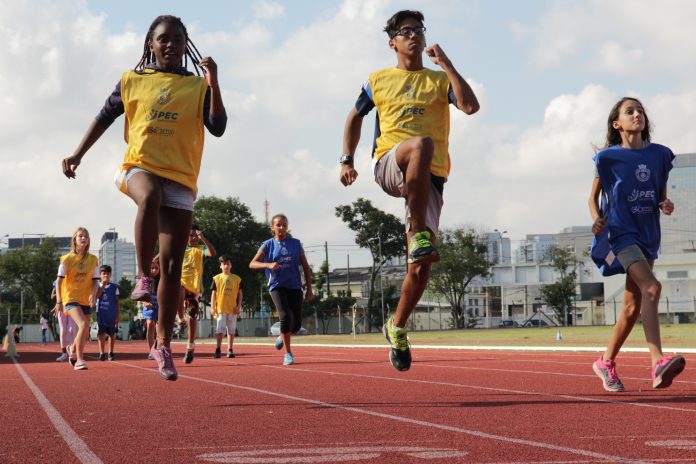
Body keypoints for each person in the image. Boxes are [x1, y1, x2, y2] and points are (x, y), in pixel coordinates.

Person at [61, 15, 227, 380]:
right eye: (163, 39)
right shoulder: (132, 80)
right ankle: (141, 277)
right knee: (148, 196)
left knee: (171, 267)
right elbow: (103, 117)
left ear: (186, 45)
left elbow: (217, 127)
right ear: (150, 44)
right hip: (139, 168)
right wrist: (77, 154)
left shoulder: (198, 87)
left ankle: (163, 346)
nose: (170, 45)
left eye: (177, 39)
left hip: (181, 178)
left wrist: (214, 83)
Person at [338, 10, 479, 371]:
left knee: (419, 270)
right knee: (421, 144)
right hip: (389, 162)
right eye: (406, 31)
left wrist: (446, 64)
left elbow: (469, 106)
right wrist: (346, 159)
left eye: (418, 30)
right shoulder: (378, 80)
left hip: (430, 178)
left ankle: (397, 327)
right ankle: (418, 234)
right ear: (393, 42)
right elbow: (354, 117)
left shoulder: (437, 80)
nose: (414, 35)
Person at [589, 97, 686, 392]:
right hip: (621, 233)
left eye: (640, 111)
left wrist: (665, 203)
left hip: (648, 236)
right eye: (629, 111)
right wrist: (596, 220)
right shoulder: (607, 159)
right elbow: (593, 198)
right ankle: (657, 361)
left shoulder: (660, 155)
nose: (637, 115)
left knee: (632, 308)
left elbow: (659, 193)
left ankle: (605, 362)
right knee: (653, 287)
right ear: (617, 123)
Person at [249, 214, 313, 366]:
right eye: (278, 225)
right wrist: (268, 265)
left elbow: (305, 267)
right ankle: (288, 354)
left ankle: (282, 337)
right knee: (284, 316)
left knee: (296, 324)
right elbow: (252, 263)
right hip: (277, 285)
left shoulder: (296, 244)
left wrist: (309, 289)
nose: (281, 228)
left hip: (295, 286)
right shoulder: (267, 245)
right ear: (272, 227)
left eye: (284, 225)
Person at [53, 227, 100, 371]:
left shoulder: (93, 259)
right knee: (84, 325)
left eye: (85, 236)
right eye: (80, 236)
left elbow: (95, 280)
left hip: (85, 299)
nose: (83, 238)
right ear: (75, 239)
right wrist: (59, 301)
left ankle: (71, 349)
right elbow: (59, 282)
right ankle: (79, 359)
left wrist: (93, 293)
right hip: (70, 298)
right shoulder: (66, 259)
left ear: (88, 241)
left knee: (85, 332)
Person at [179, 225, 216, 364]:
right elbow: (165, 251)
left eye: (196, 235)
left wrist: (203, 238)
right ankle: (180, 318)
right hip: (181, 285)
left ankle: (190, 346)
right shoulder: (180, 249)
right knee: (180, 290)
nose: (193, 238)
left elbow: (212, 253)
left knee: (192, 318)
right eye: (190, 235)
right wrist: (155, 259)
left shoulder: (200, 249)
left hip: (194, 289)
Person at [211, 254, 242, 358]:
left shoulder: (237, 279)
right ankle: (218, 348)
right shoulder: (217, 278)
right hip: (221, 309)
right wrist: (212, 307)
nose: (226, 266)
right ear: (220, 266)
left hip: (232, 309)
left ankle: (230, 349)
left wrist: (239, 306)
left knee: (231, 331)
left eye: (228, 264)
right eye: (224, 264)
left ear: (231, 265)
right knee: (220, 330)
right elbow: (213, 294)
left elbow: (240, 293)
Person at [95, 265, 120, 361]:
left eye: (107, 273)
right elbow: (97, 296)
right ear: (100, 275)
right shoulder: (97, 286)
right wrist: (103, 285)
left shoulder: (115, 287)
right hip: (101, 314)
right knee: (101, 334)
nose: (106, 275)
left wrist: (118, 314)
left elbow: (117, 302)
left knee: (112, 334)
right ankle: (102, 353)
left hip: (111, 314)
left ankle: (111, 352)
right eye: (103, 273)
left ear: (110, 274)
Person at [52, 280, 76, 362]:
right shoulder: (58, 281)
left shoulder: (73, 278)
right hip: (61, 307)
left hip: (72, 306)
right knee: (63, 330)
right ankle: (64, 353)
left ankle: (72, 351)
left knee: (72, 330)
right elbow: (52, 296)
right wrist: (60, 296)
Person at [142, 257, 160, 359]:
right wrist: (145, 302)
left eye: (156, 268)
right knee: (150, 325)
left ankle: (158, 348)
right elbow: (140, 293)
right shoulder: (145, 279)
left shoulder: (162, 278)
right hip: (149, 304)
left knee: (159, 327)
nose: (154, 270)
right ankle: (151, 351)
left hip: (159, 304)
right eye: (151, 268)